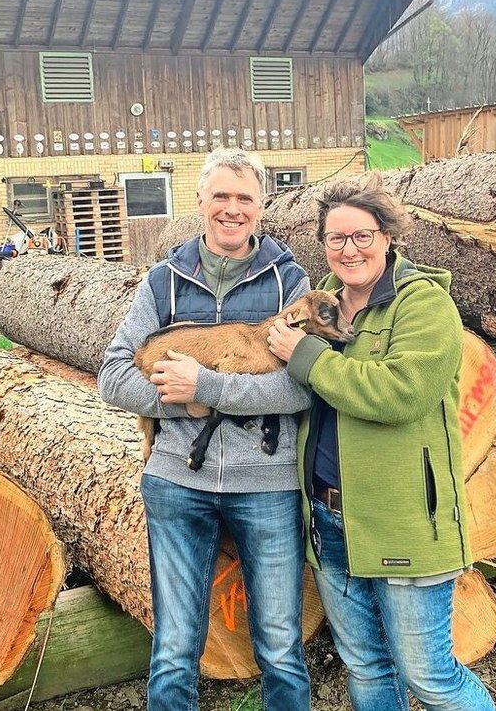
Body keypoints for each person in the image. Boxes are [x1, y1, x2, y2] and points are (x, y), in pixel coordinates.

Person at [267, 175, 496, 711]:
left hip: (404, 518)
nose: (349, 250)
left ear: (389, 237)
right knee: (367, 668)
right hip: (329, 517)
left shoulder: (423, 305)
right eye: (336, 238)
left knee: (429, 676)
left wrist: (306, 356)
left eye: (362, 236)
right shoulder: (319, 305)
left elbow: (401, 393)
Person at [98, 148, 313, 711]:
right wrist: (181, 406)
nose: (232, 209)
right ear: (199, 202)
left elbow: (302, 387)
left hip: (267, 485)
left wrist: (210, 388)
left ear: (262, 206)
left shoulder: (291, 283)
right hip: (176, 485)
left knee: (282, 645)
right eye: (221, 196)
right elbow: (113, 376)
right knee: (173, 647)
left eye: (245, 198)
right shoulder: (164, 282)